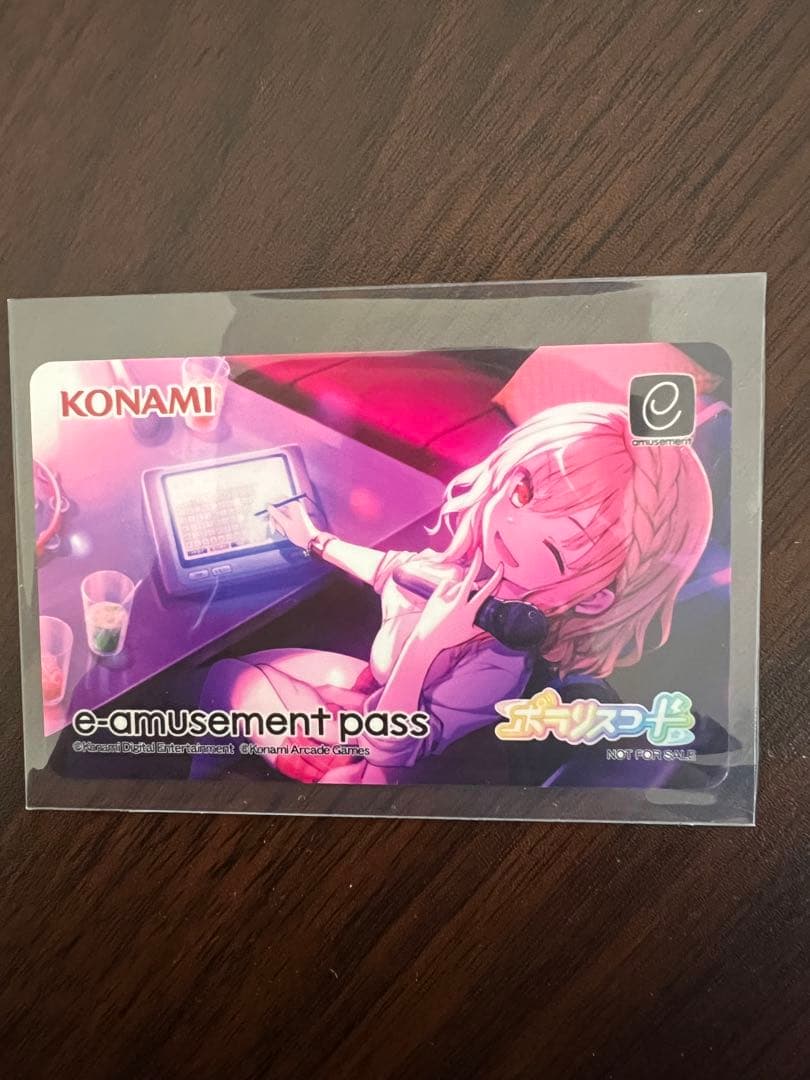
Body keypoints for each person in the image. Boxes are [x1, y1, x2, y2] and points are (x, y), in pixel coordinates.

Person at [200, 402, 713, 784]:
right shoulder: (462, 579)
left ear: (598, 598)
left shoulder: (499, 666)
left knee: (225, 684)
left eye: (557, 547)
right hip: (371, 703)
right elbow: (392, 569)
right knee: (233, 676)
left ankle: (208, 780)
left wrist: (426, 647)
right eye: (522, 492)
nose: (509, 522)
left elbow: (394, 755)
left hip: (382, 770)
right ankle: (216, 761)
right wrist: (313, 539)